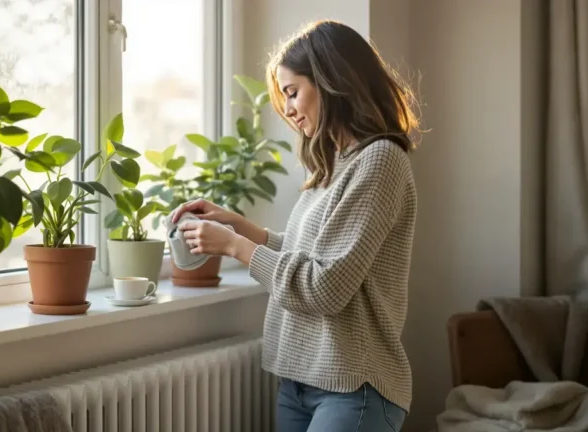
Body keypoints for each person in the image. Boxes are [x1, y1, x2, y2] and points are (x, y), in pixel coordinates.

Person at [172, 19, 419, 431]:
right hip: (301, 383)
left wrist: (235, 246)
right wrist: (239, 226)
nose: (287, 109)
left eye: (292, 92)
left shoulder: (380, 161)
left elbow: (325, 288)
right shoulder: (335, 162)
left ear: (332, 81)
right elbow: (312, 253)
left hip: (353, 388)